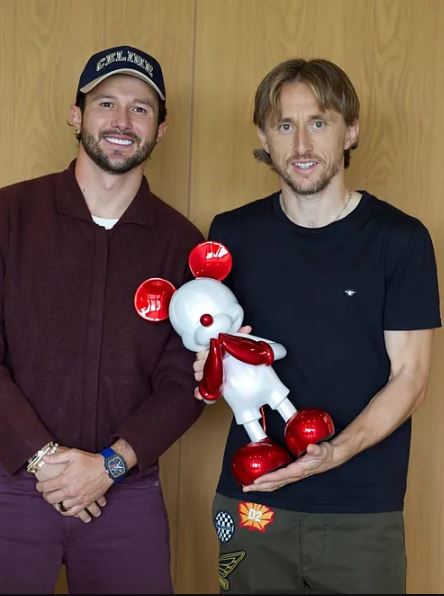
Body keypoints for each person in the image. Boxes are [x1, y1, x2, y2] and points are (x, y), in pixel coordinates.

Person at [194, 58, 441, 594]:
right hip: (252, 500)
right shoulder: (232, 234)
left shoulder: (400, 241)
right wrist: (206, 365)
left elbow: (411, 378)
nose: (302, 144)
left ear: (350, 129)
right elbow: (218, 345)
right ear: (264, 135)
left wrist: (334, 453)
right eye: (285, 125)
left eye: (320, 123)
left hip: (360, 511)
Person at [0, 45, 204, 594]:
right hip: (11, 481)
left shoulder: (184, 244)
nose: (122, 121)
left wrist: (110, 466)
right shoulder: (9, 215)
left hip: (125, 492)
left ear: (161, 129)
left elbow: (187, 379)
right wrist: (42, 459)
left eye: (141, 108)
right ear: (77, 115)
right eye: (106, 103)